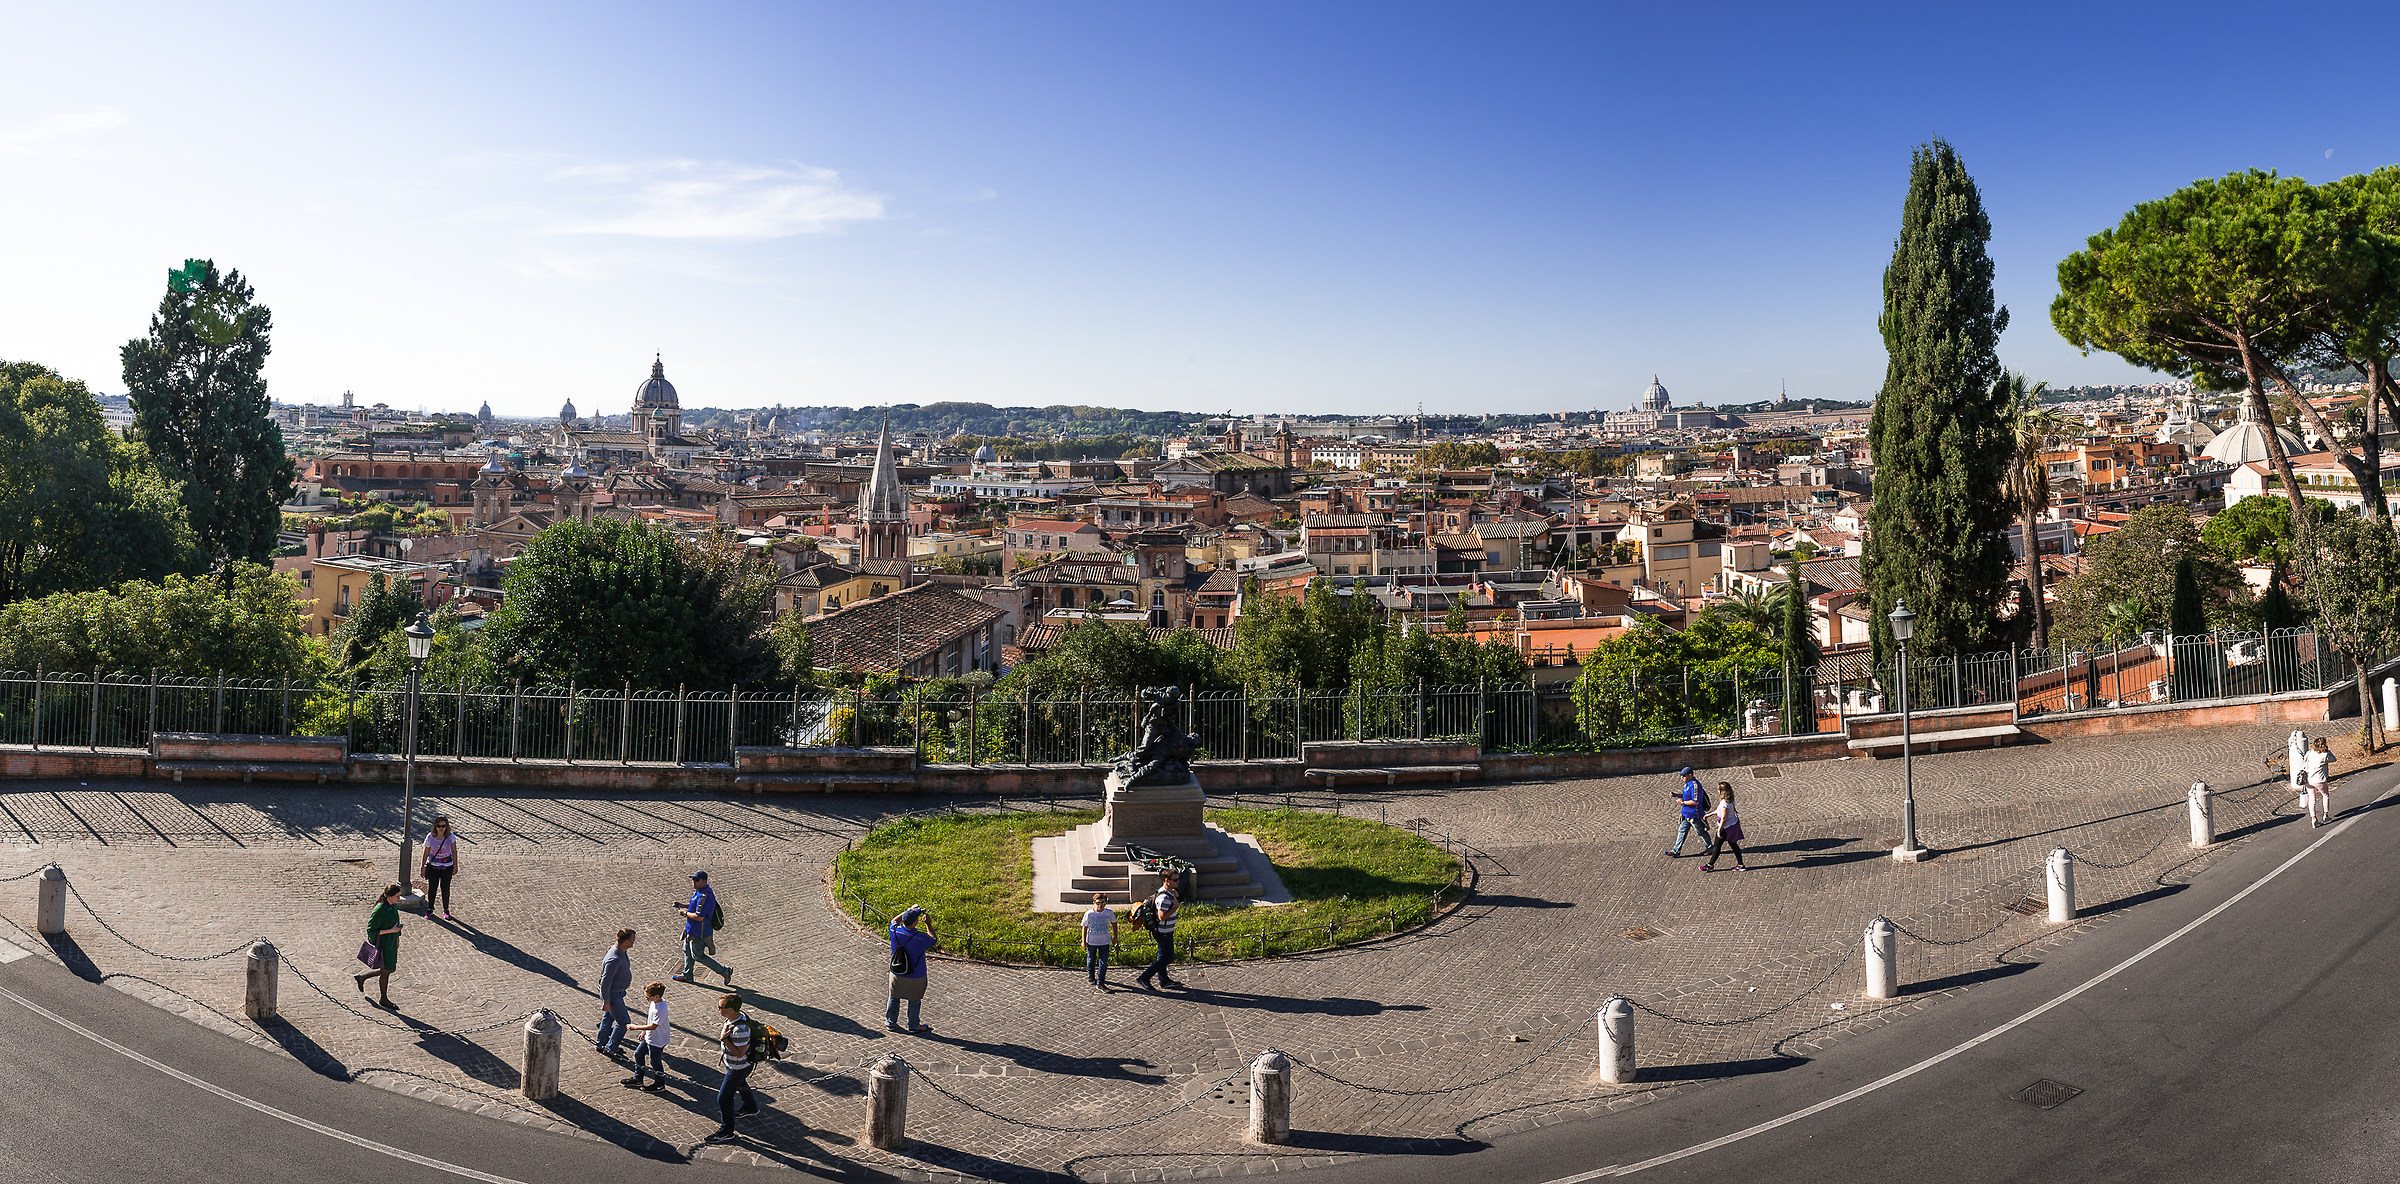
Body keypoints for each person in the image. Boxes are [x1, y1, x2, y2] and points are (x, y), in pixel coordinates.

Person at [702, 993, 759, 1144]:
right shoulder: (737, 1017)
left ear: (732, 1010)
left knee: (724, 1098)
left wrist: (724, 1039)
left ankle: (727, 1131)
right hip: (736, 1066)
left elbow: (740, 1053)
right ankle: (751, 1107)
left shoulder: (740, 1029)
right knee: (741, 1084)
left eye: (721, 1007)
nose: (718, 1009)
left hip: (738, 1067)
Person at [673, 871, 734, 987]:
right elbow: (694, 906)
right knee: (687, 951)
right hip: (690, 929)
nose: (693, 882)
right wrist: (683, 905)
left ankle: (724, 971)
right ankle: (687, 975)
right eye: (693, 880)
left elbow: (699, 916)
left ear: (704, 881)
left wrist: (684, 913)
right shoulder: (699, 892)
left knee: (698, 956)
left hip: (699, 933)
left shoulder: (706, 896)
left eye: (696, 880)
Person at [886, 906, 939, 1033]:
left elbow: (894, 920)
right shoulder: (921, 938)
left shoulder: (894, 931)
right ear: (915, 922)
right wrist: (928, 924)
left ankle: (890, 1023)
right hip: (916, 975)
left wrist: (908, 910)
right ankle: (913, 1025)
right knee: (914, 1001)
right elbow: (933, 940)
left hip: (897, 972)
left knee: (894, 997)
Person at [353, 885, 404, 1010]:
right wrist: (391, 931)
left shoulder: (393, 906)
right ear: (389, 896)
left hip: (391, 943)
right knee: (386, 971)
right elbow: (371, 930)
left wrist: (397, 938)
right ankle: (384, 999)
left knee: (388, 969)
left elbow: (396, 923)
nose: (400, 898)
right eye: (397, 896)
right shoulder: (379, 910)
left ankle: (362, 977)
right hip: (384, 945)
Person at [1134, 879, 1181, 991]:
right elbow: (1162, 916)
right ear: (1167, 881)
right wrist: (1175, 907)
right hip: (1162, 932)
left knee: (1162, 957)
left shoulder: (1168, 892)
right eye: (1175, 880)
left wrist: (1174, 893)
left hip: (1167, 930)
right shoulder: (1163, 897)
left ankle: (1164, 980)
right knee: (1167, 958)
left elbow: (1176, 894)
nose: (1178, 882)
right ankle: (1144, 978)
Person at [623, 981, 669, 1091]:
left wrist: (635, 1027)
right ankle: (638, 1079)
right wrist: (644, 1032)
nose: (646, 998)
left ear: (657, 996)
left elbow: (653, 1026)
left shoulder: (660, 1009)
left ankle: (660, 1084)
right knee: (638, 1054)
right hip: (650, 1037)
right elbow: (650, 1020)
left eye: (648, 996)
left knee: (655, 1062)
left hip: (657, 1040)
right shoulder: (654, 1003)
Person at [596, 927, 636, 1056]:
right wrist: (606, 1001)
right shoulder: (614, 959)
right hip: (613, 995)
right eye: (632, 940)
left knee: (608, 1018)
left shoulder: (620, 951)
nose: (634, 942)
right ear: (626, 942)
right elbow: (605, 982)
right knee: (624, 1022)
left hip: (617, 993)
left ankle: (601, 1043)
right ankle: (611, 1048)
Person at [1701, 782, 1748, 872]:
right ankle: (1741, 865)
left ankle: (1710, 865)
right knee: (1733, 845)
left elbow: (1724, 817)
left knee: (1717, 847)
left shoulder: (1724, 803)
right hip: (1732, 825)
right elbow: (1720, 811)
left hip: (1725, 828)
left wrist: (1719, 829)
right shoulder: (1730, 799)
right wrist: (1709, 814)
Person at [1663, 767, 1708, 857]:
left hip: (1695, 815)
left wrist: (1682, 802)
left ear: (1690, 775)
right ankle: (1676, 850)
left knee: (1701, 832)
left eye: (1683, 775)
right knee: (1682, 831)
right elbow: (1685, 794)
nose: (1682, 777)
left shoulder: (1695, 785)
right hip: (1686, 814)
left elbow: (1696, 801)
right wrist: (1676, 795)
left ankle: (1710, 847)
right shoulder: (1687, 783)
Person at [421, 816, 459, 920]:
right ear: (435, 826)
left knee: (445, 889)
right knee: (432, 889)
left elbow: (454, 851)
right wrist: (422, 866)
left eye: (443, 826)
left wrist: (456, 865)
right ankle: (430, 909)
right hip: (433, 867)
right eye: (439, 826)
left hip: (447, 867)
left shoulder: (451, 837)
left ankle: (446, 910)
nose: (441, 828)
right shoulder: (430, 837)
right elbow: (426, 852)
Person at [1081, 892, 1120, 990]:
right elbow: (1084, 927)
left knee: (1103, 962)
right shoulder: (1089, 914)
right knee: (1091, 959)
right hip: (1092, 941)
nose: (1100, 906)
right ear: (1094, 903)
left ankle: (1100, 982)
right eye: (1098, 903)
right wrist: (1083, 941)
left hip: (1104, 941)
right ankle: (1091, 975)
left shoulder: (1109, 912)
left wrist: (1115, 938)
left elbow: (1114, 924)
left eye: (1103, 903)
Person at [2303, 736, 2337, 827]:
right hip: (2319, 780)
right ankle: (2325, 815)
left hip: (2308, 779)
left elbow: (2304, 763)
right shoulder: (2325, 755)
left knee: (2312, 798)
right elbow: (2334, 759)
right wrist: (2328, 751)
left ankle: (2313, 818)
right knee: (2325, 795)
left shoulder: (2309, 753)